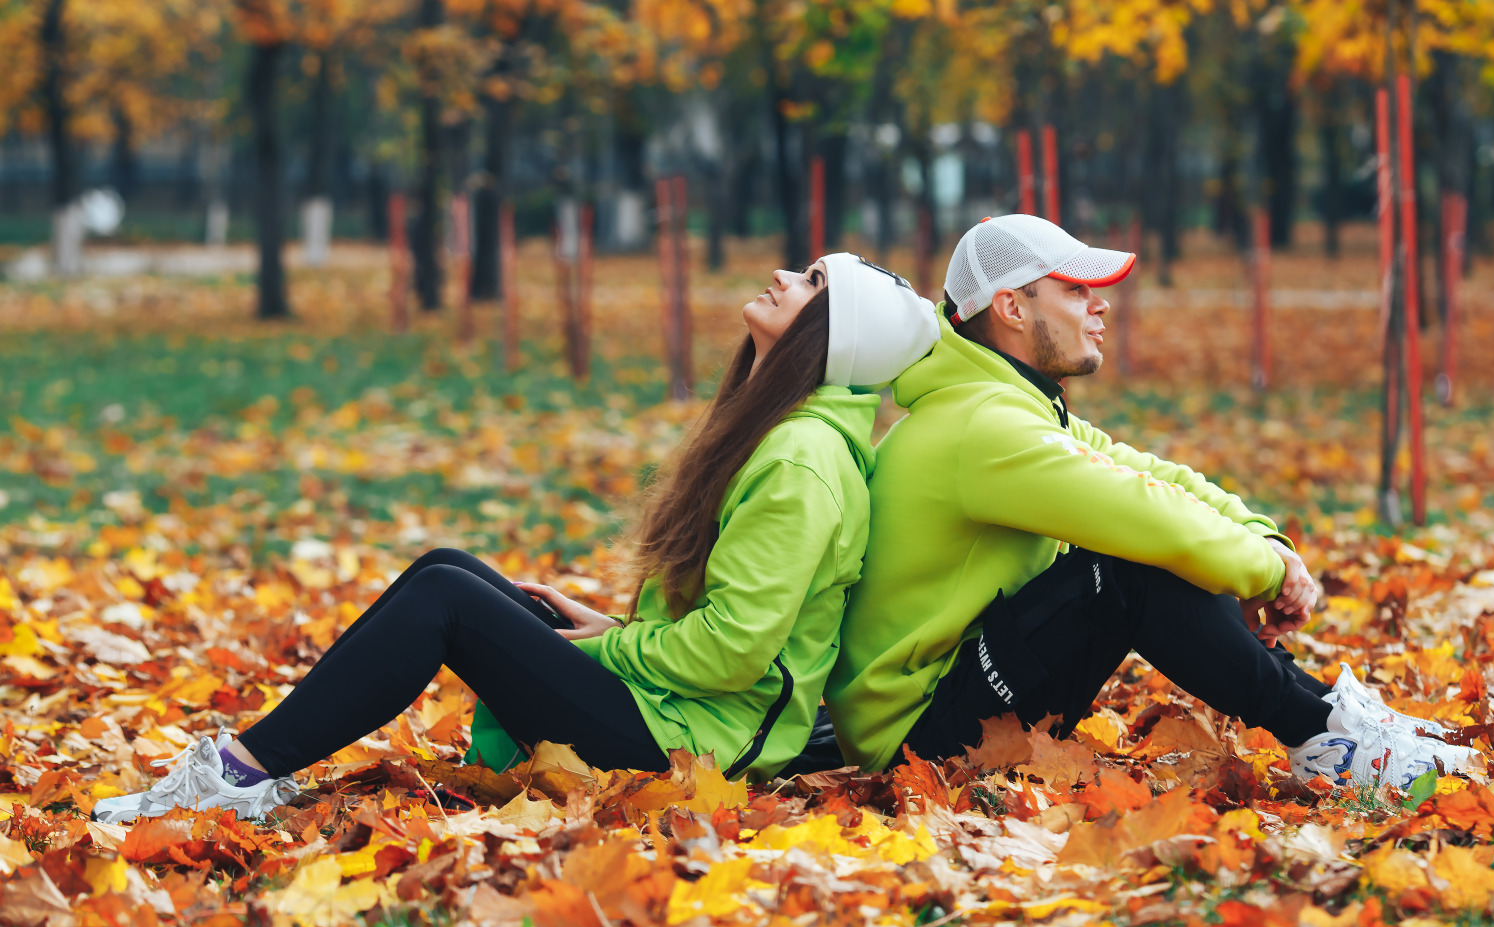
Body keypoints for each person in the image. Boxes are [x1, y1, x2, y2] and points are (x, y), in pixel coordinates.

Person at [94, 253, 941, 824]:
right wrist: (604, 631)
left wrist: (601, 654)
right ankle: (247, 767)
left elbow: (734, 654)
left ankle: (233, 777)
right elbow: (739, 632)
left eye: (810, 285)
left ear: (832, 338)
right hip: (684, 714)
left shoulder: (801, 460)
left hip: (695, 751)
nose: (782, 275)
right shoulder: (789, 433)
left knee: (446, 599)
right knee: (450, 569)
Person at [825, 214, 1480, 790]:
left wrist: (1263, 538)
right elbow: (1146, 514)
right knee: (1127, 565)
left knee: (1150, 542)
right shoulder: (984, 428)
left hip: (956, 700)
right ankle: (1320, 732)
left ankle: (1327, 716)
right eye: (1075, 290)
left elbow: (1149, 474)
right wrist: (1268, 573)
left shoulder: (1001, 406)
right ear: (1012, 308)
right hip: (920, 747)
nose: (1100, 306)